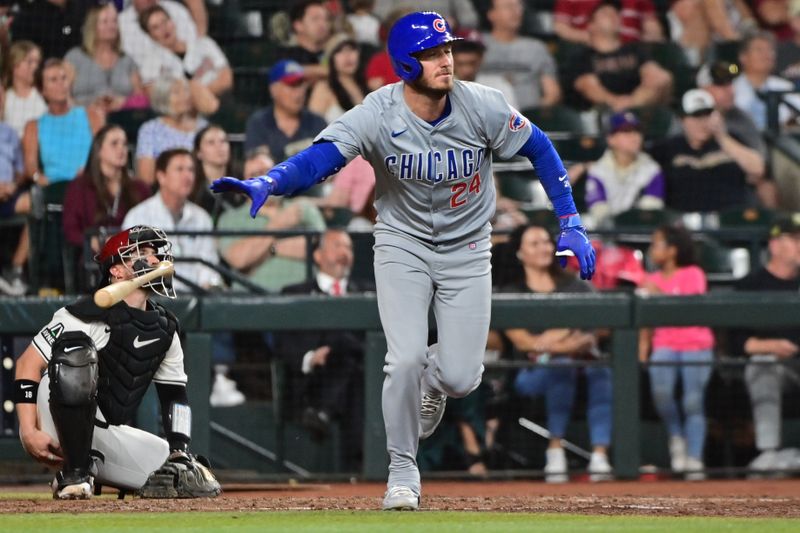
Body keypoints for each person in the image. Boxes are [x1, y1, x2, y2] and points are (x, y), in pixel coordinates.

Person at [211, 11, 595, 510]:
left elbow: (540, 148)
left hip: (468, 248)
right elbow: (322, 156)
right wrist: (271, 181)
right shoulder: (377, 112)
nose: (446, 60)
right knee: (404, 358)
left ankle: (434, 383)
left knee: (461, 377)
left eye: (448, 49)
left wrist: (571, 221)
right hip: (402, 244)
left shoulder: (481, 104)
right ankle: (401, 469)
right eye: (432, 53)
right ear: (404, 64)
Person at [13, 225, 220, 499]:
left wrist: (179, 449)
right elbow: (27, 365)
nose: (156, 260)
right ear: (117, 270)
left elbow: (175, 397)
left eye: (155, 253)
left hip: (107, 431)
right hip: (54, 420)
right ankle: (75, 472)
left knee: (183, 474)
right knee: (74, 353)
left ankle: (87, 468)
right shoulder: (81, 315)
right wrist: (28, 432)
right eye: (142, 253)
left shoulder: (165, 328)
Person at [500, 223, 613, 483]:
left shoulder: (573, 284)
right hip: (529, 374)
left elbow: (602, 325)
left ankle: (599, 455)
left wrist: (552, 336)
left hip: (582, 364)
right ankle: (555, 450)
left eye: (546, 242)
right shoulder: (512, 291)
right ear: (520, 253)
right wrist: (569, 334)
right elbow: (525, 342)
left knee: (601, 372)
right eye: (535, 243)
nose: (544, 248)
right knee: (560, 366)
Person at [274, 229, 371, 468]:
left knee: (349, 354)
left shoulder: (370, 293)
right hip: (312, 382)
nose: (345, 253)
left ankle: (325, 410)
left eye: (349, 248)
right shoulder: (294, 293)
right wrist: (311, 358)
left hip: (359, 384)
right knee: (352, 363)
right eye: (337, 245)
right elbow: (282, 343)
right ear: (317, 256)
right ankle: (357, 471)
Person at [638, 224, 715, 480]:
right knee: (662, 394)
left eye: (657, 244)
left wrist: (657, 293)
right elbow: (645, 320)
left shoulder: (693, 273)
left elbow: (687, 310)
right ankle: (676, 436)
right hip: (665, 344)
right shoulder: (652, 279)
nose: (652, 250)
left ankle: (694, 457)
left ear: (672, 249)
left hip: (696, 343)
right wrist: (643, 347)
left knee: (693, 401)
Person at [728, 214, 800, 474]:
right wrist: (771, 345)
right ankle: (769, 453)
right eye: (795, 239)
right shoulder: (750, 285)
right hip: (776, 366)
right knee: (762, 364)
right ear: (775, 245)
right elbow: (736, 342)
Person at [649, 88, 766, 213]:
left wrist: (722, 137)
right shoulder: (668, 148)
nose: (702, 122)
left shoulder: (731, 140)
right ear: (682, 120)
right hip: (683, 222)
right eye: (696, 116)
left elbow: (757, 170)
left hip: (729, 221)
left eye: (707, 115)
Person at [123, 148, 222, 292]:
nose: (187, 176)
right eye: (179, 169)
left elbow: (209, 268)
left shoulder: (202, 218)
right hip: (153, 300)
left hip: (196, 299)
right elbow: (131, 269)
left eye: (191, 170)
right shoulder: (138, 216)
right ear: (161, 176)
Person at [22, 58, 105, 199]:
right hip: (54, 190)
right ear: (42, 90)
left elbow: (104, 151)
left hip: (90, 185)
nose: (61, 84)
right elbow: (31, 167)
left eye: (64, 78)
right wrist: (40, 179)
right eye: (53, 80)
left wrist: (90, 172)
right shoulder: (33, 126)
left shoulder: (92, 115)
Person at [568, 2, 672, 113]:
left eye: (616, 13)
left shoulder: (635, 49)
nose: (614, 16)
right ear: (591, 25)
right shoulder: (582, 56)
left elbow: (657, 76)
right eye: (606, 14)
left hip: (639, 109)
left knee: (663, 77)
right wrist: (614, 102)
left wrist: (632, 103)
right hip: (600, 114)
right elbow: (588, 86)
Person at [63, 124, 151, 253]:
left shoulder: (140, 188)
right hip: (95, 258)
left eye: (124, 144)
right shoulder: (80, 187)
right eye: (114, 144)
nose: (121, 149)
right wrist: (92, 241)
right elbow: (70, 230)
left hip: (135, 255)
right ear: (99, 150)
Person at [583, 110, 664, 227]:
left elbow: (650, 213)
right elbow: (599, 211)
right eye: (626, 131)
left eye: (637, 131)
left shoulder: (652, 170)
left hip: (640, 235)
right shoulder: (598, 171)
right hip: (606, 235)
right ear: (611, 139)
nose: (635, 137)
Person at [64, 3, 147, 113]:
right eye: (105, 22)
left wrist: (123, 102)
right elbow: (62, 96)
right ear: (92, 26)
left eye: (114, 21)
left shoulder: (127, 60)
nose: (111, 26)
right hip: (83, 119)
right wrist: (86, 109)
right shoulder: (74, 58)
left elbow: (141, 100)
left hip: (122, 120)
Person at [480, 0, 561, 110]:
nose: (515, 11)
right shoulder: (478, 44)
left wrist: (535, 115)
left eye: (518, 6)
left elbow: (552, 93)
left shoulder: (537, 47)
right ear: (491, 14)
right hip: (485, 114)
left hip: (528, 117)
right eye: (508, 7)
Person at [138, 4, 233, 97]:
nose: (164, 29)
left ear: (172, 22)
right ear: (150, 35)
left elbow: (226, 79)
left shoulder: (204, 44)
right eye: (156, 27)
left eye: (165, 22)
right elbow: (156, 98)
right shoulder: (150, 64)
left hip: (220, 103)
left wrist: (198, 97)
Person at [135, 76, 212, 186]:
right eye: (176, 92)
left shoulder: (203, 127)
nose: (184, 96)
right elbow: (146, 178)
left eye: (186, 91)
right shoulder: (150, 130)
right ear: (163, 98)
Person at [244, 60, 327, 161]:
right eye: (292, 85)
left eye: (301, 85)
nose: (299, 92)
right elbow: (257, 166)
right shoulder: (259, 123)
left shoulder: (317, 122)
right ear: (273, 90)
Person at [734, 32, 800, 131]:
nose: (766, 55)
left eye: (770, 50)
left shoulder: (785, 87)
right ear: (743, 57)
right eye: (759, 50)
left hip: (783, 139)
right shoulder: (731, 88)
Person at [308, 33, 369, 123]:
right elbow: (312, 127)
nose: (347, 56)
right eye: (340, 51)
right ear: (331, 59)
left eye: (351, 49)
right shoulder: (324, 89)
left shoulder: (366, 87)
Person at [554, 0, 664, 44]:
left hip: (634, 53)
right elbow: (562, 28)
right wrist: (597, 41)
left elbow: (651, 27)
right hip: (590, 52)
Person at [276, 0, 333, 83]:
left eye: (326, 19)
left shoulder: (333, 52)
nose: (322, 24)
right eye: (315, 19)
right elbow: (285, 72)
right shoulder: (285, 53)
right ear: (298, 25)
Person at [191, 124, 237, 224]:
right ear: (199, 153)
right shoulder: (191, 189)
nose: (219, 147)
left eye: (223, 141)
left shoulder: (242, 184)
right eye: (211, 142)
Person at [2, 41, 47, 139]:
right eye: (30, 62)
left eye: (37, 62)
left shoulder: (44, 94)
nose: (35, 67)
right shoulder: (4, 97)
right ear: (14, 65)